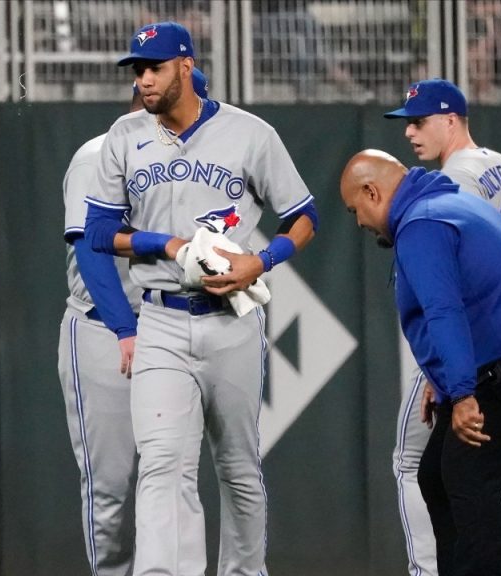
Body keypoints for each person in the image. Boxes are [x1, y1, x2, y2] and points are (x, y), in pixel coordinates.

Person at [82, 21, 318, 576]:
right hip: (161, 318)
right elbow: (97, 233)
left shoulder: (249, 134)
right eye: (137, 69)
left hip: (232, 323)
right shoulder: (124, 135)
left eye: (154, 67)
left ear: (186, 67)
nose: (143, 79)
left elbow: (304, 216)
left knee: (238, 468)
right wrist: (162, 242)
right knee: (163, 463)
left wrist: (260, 261)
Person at [339, 149, 501, 576]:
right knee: (436, 476)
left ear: (371, 192)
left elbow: (444, 310)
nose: (358, 221)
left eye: (355, 209)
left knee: (469, 478)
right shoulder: (449, 203)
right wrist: (445, 380)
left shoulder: (420, 225)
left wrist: (463, 393)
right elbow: (483, 293)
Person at [58, 67, 210, 576]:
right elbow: (91, 250)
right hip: (103, 330)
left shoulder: (189, 165)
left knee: (172, 478)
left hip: (167, 328)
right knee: (110, 489)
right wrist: (126, 330)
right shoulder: (97, 155)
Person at [384, 77, 501, 576]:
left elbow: (461, 280)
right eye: (407, 123)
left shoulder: (459, 178)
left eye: (420, 121)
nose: (410, 133)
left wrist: (444, 370)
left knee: (412, 461)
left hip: (470, 346)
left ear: (451, 120)